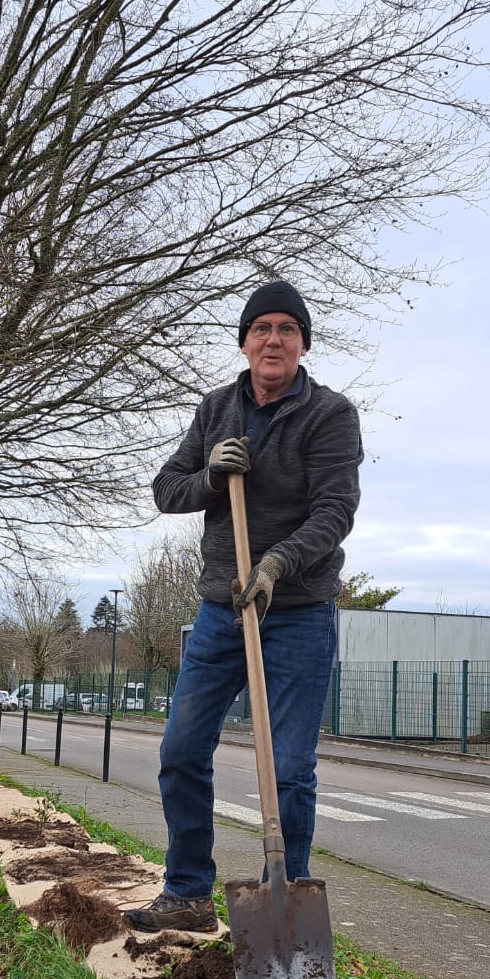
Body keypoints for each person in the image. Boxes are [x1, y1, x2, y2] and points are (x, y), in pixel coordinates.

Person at [125, 281, 363, 933]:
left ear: (303, 343)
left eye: (288, 329)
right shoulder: (216, 410)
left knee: (288, 770)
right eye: (263, 329)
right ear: (245, 341)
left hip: (299, 611)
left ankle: (280, 913)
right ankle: (187, 894)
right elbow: (166, 489)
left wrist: (277, 563)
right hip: (220, 609)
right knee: (180, 749)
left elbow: (334, 512)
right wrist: (209, 478)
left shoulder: (330, 415)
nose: (274, 339)